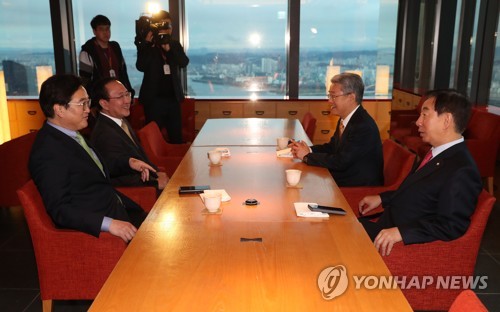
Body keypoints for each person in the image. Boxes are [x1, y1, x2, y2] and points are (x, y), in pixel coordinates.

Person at [29, 74, 156, 243]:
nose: (88, 109)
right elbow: (60, 210)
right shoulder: (48, 151)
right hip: (102, 231)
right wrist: (110, 224)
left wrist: (128, 162)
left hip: (119, 209)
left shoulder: (72, 135)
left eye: (87, 102)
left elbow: (92, 167)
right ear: (59, 109)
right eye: (82, 103)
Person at [358, 89, 482, 256]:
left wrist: (401, 232)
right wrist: (382, 198)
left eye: (425, 115)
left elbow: (451, 226)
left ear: (446, 120)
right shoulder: (435, 152)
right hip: (385, 224)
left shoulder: (461, 169)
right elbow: (417, 192)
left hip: (399, 245)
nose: (417, 122)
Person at [290, 72, 383, 187]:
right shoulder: (346, 119)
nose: (329, 101)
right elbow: (332, 148)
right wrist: (307, 149)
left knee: (305, 185)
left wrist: (307, 156)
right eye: (329, 96)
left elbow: (341, 162)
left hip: (357, 187)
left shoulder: (363, 126)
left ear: (351, 97)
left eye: (334, 96)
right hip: (343, 178)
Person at [90, 77, 169, 191]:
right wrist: (154, 184)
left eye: (127, 94)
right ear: (104, 104)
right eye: (120, 96)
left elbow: (139, 157)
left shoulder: (121, 120)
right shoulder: (105, 135)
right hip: (139, 194)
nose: (127, 101)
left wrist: (156, 172)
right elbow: (117, 177)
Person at [135, 10, 189, 144]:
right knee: (153, 140)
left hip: (173, 100)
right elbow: (140, 66)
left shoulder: (174, 45)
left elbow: (184, 62)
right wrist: (147, 45)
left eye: (169, 26)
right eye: (164, 26)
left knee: (177, 138)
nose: (167, 29)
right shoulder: (148, 44)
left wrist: (168, 49)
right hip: (154, 101)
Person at [79, 15, 134, 95]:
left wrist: (128, 92)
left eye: (107, 29)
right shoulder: (88, 51)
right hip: (100, 96)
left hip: (118, 94)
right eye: (101, 29)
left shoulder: (115, 47)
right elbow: (85, 81)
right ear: (94, 31)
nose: (106, 32)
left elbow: (123, 73)